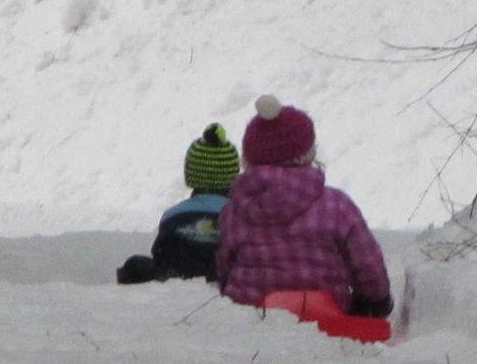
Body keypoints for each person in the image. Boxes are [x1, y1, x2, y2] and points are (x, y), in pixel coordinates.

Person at [217, 95, 393, 317]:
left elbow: (224, 264)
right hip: (324, 319)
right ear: (308, 153)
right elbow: (367, 264)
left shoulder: (235, 211)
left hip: (252, 318)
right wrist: (376, 300)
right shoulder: (336, 206)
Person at [116, 123, 240, 284]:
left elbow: (160, 254)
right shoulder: (244, 218)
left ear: (190, 172)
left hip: (176, 280)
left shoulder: (174, 216)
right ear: (234, 176)